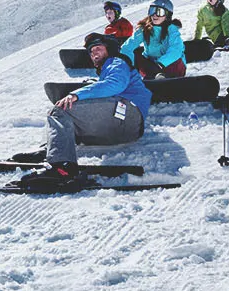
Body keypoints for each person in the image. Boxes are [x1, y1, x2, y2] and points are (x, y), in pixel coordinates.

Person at [15, 33, 153, 190]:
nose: (94, 53)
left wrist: (76, 94)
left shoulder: (117, 61)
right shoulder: (107, 69)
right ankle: (53, 149)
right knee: (64, 118)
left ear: (109, 50)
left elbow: (115, 84)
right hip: (120, 129)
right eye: (91, 51)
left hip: (127, 115)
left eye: (98, 49)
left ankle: (62, 167)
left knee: (60, 110)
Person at [130, 0, 187, 79]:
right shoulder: (145, 29)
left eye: (159, 12)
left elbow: (176, 49)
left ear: (167, 15)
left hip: (171, 67)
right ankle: (154, 77)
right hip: (152, 67)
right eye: (152, 11)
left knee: (175, 58)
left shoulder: (171, 29)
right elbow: (129, 45)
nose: (154, 15)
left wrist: (160, 64)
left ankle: (159, 77)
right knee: (136, 53)